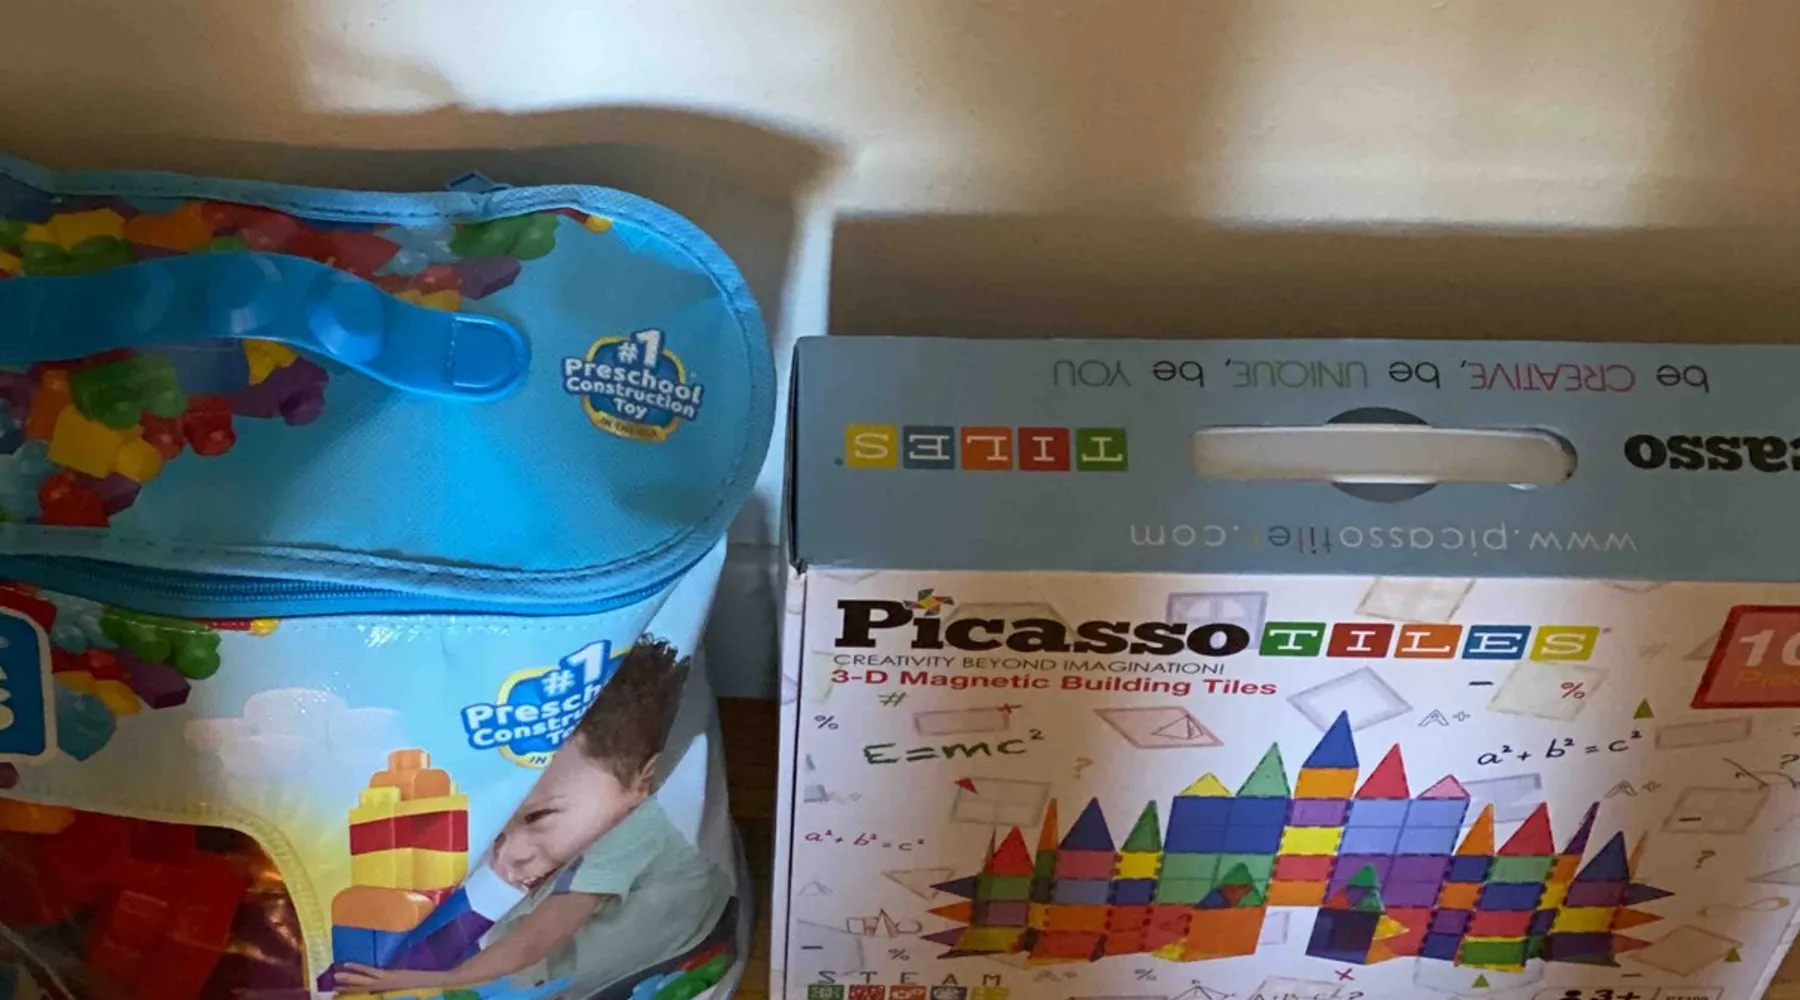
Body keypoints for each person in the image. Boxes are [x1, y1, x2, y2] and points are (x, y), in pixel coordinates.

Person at [335, 638, 734, 995]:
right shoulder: (586, 818)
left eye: (539, 817)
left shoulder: (632, 828)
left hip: (682, 941)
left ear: (641, 781)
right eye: (498, 831)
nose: (509, 857)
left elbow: (539, 938)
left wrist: (429, 979)